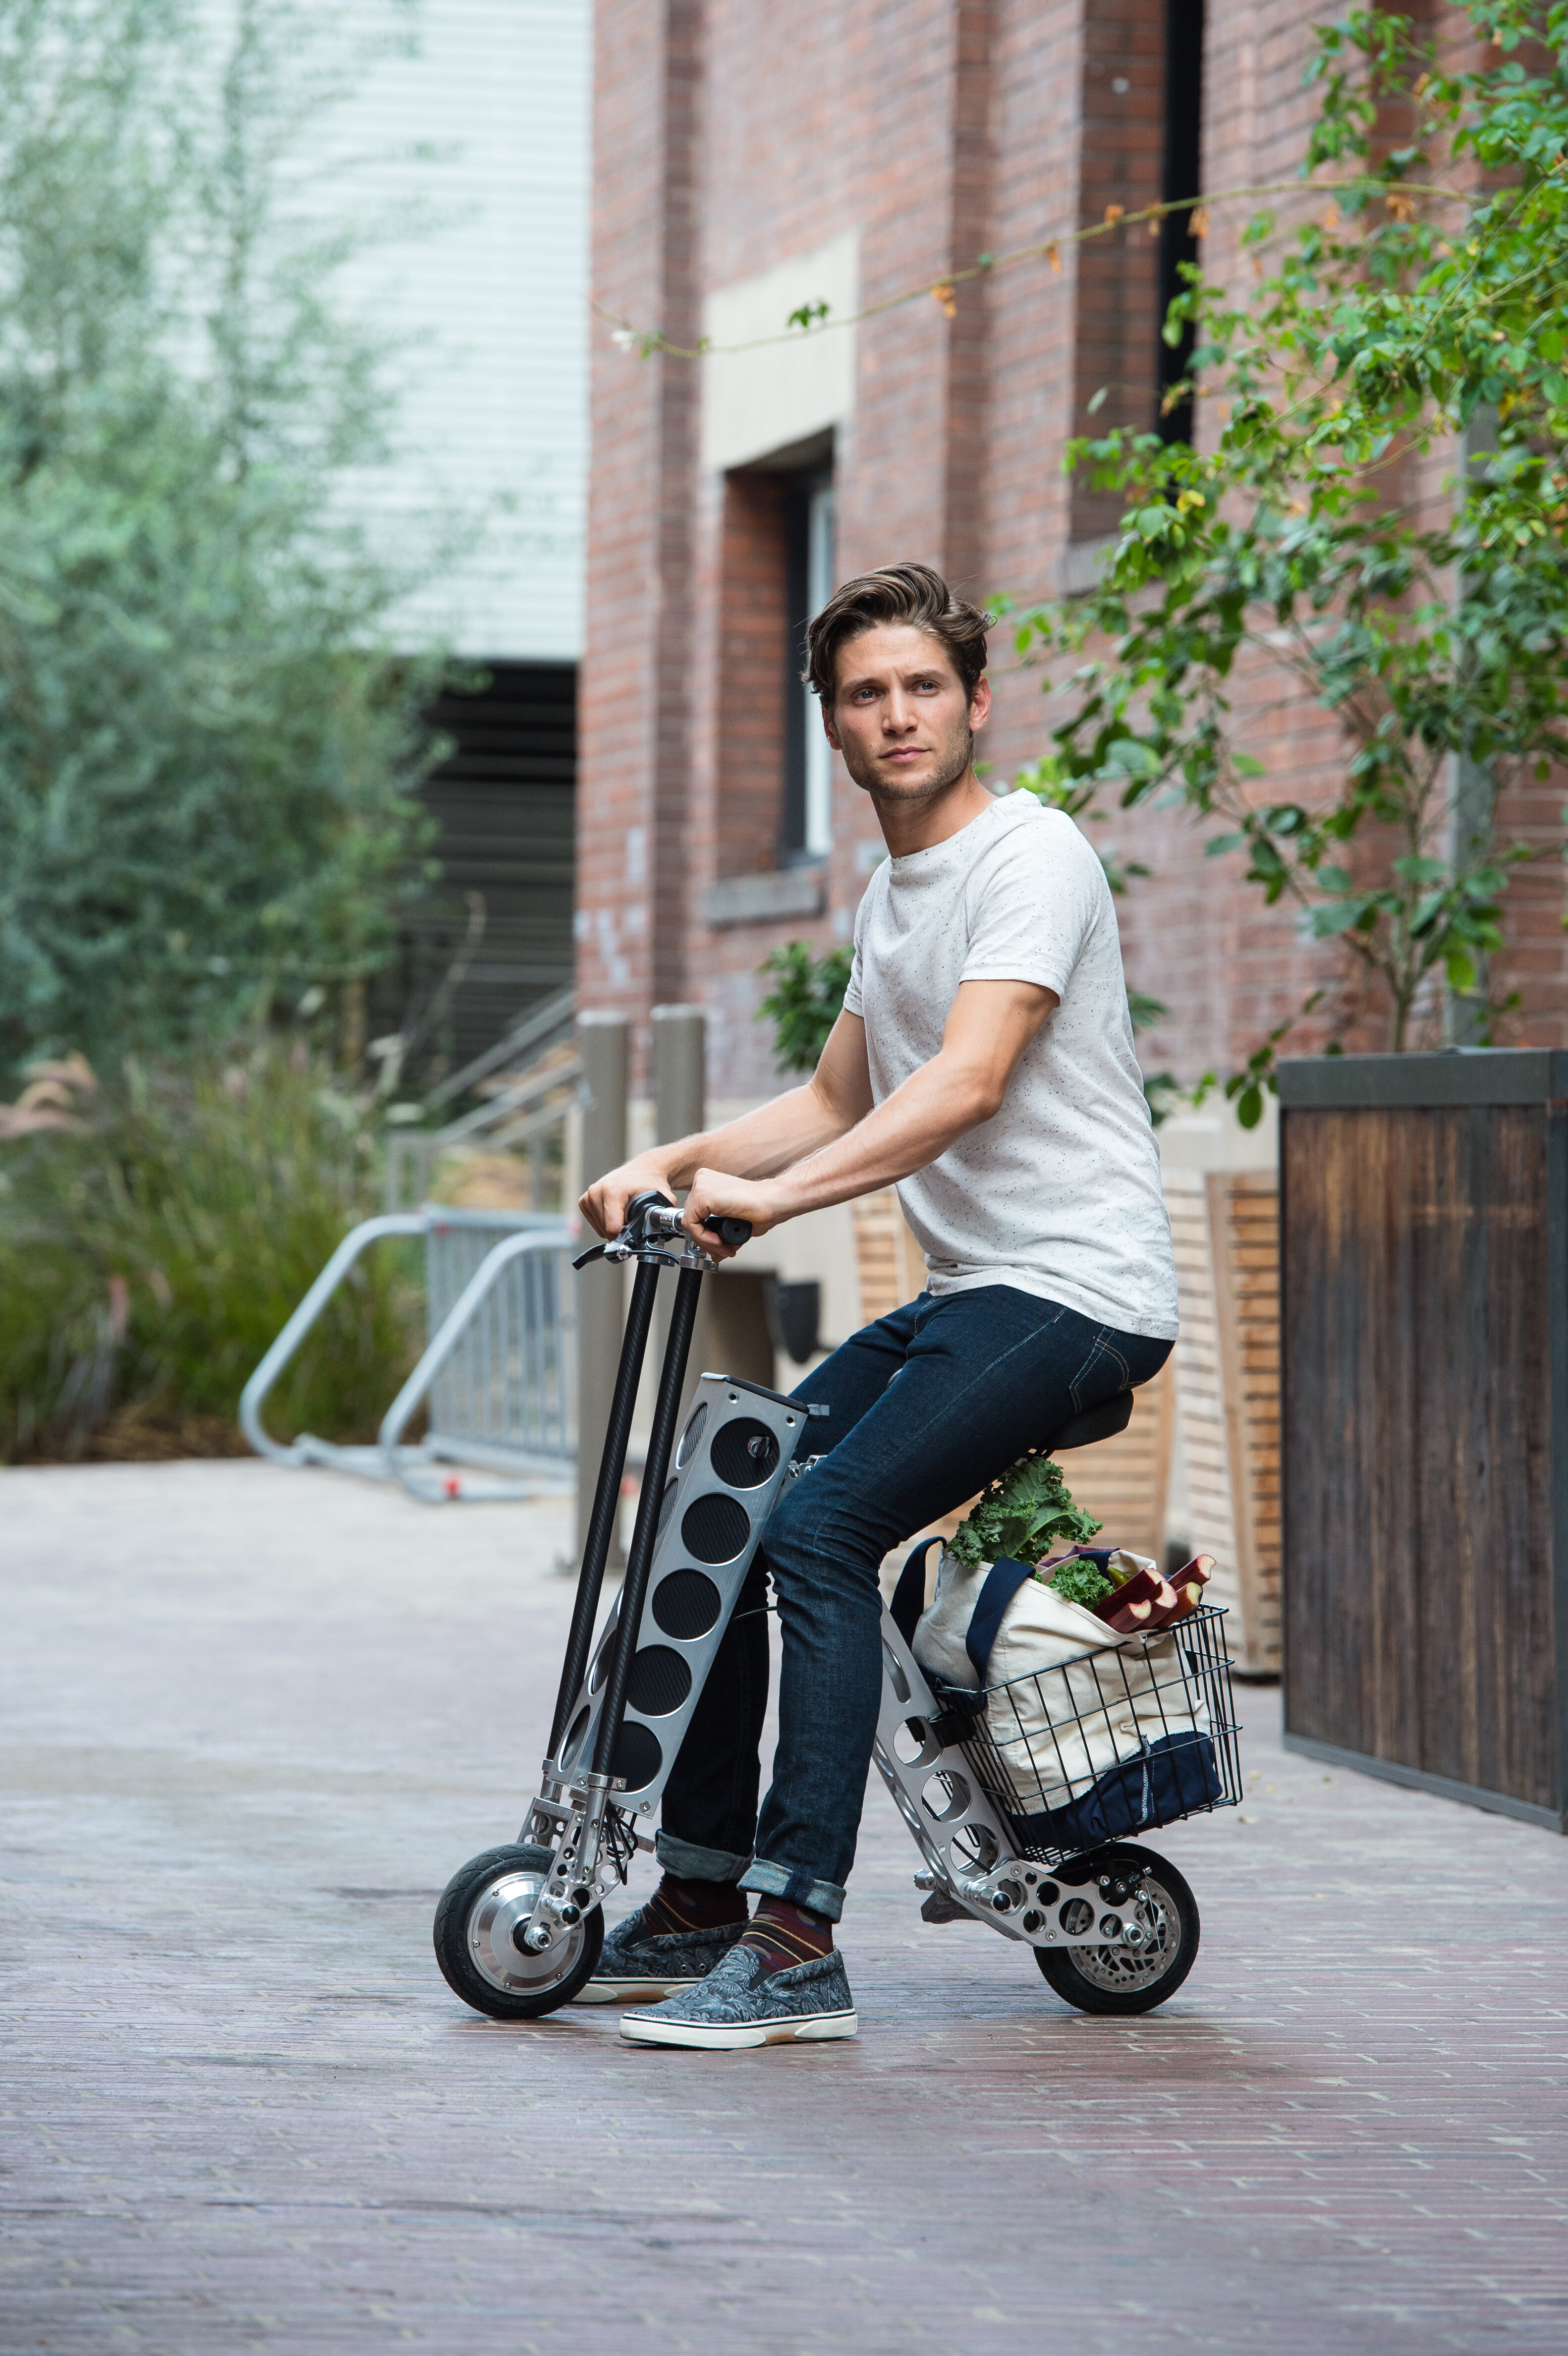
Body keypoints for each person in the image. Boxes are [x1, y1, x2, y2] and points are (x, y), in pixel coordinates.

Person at [576, 561, 1177, 2051]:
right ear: (831, 730)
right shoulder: (888, 887)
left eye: (921, 686)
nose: (895, 714)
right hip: (974, 1290)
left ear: (975, 703)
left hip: (1078, 1287)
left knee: (819, 1526)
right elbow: (840, 1093)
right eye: (864, 694)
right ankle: (703, 1891)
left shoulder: (1032, 859)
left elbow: (965, 1080)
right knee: (721, 1496)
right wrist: (673, 1158)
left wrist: (775, 1202)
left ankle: (795, 1936)